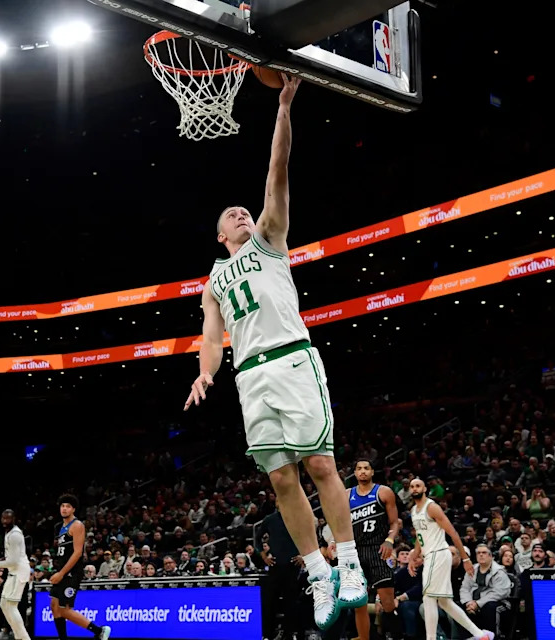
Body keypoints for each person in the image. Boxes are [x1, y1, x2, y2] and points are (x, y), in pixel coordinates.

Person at [183, 73, 365, 631]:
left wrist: (283, 108)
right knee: (282, 479)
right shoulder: (213, 280)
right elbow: (213, 336)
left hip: (292, 358)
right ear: (219, 236)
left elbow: (276, 175)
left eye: (245, 211)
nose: (242, 214)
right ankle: (317, 571)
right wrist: (204, 374)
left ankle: (350, 562)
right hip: (250, 376)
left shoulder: (269, 239)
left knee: (319, 464)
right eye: (231, 215)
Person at [406, 478, 494, 640]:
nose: (415, 489)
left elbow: (452, 532)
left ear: (425, 489)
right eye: (412, 486)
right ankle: (480, 635)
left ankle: (431, 638)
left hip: (438, 553)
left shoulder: (431, 507)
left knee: (428, 598)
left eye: (418, 486)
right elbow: (420, 537)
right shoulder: (413, 511)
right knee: (445, 603)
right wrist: (413, 556)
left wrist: (466, 559)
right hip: (431, 555)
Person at [348, 459, 400, 640]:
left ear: (372, 472)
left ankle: (393, 636)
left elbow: (394, 522)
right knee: (359, 603)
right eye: (359, 468)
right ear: (354, 473)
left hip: (378, 549)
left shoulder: (384, 492)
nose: (362, 471)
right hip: (356, 551)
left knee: (387, 603)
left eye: (366, 468)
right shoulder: (346, 495)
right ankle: (364, 637)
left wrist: (389, 540)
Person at [48, 495, 110, 640]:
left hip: (71, 572)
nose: (64, 508)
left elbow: (77, 553)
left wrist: (62, 573)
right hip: (63, 570)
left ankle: (99, 631)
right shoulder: (61, 527)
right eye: (62, 506)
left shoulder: (77, 525)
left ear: (74, 509)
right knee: (54, 605)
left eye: (68, 506)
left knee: (64, 609)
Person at [0, 510, 31, 640]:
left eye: (8, 519)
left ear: (14, 519)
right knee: (4, 604)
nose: (5, 521)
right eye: (3, 518)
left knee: (11, 606)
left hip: (19, 571)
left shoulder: (15, 535)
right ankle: (19, 635)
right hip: (13, 571)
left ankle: (24, 638)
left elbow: (14, 561)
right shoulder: (9, 533)